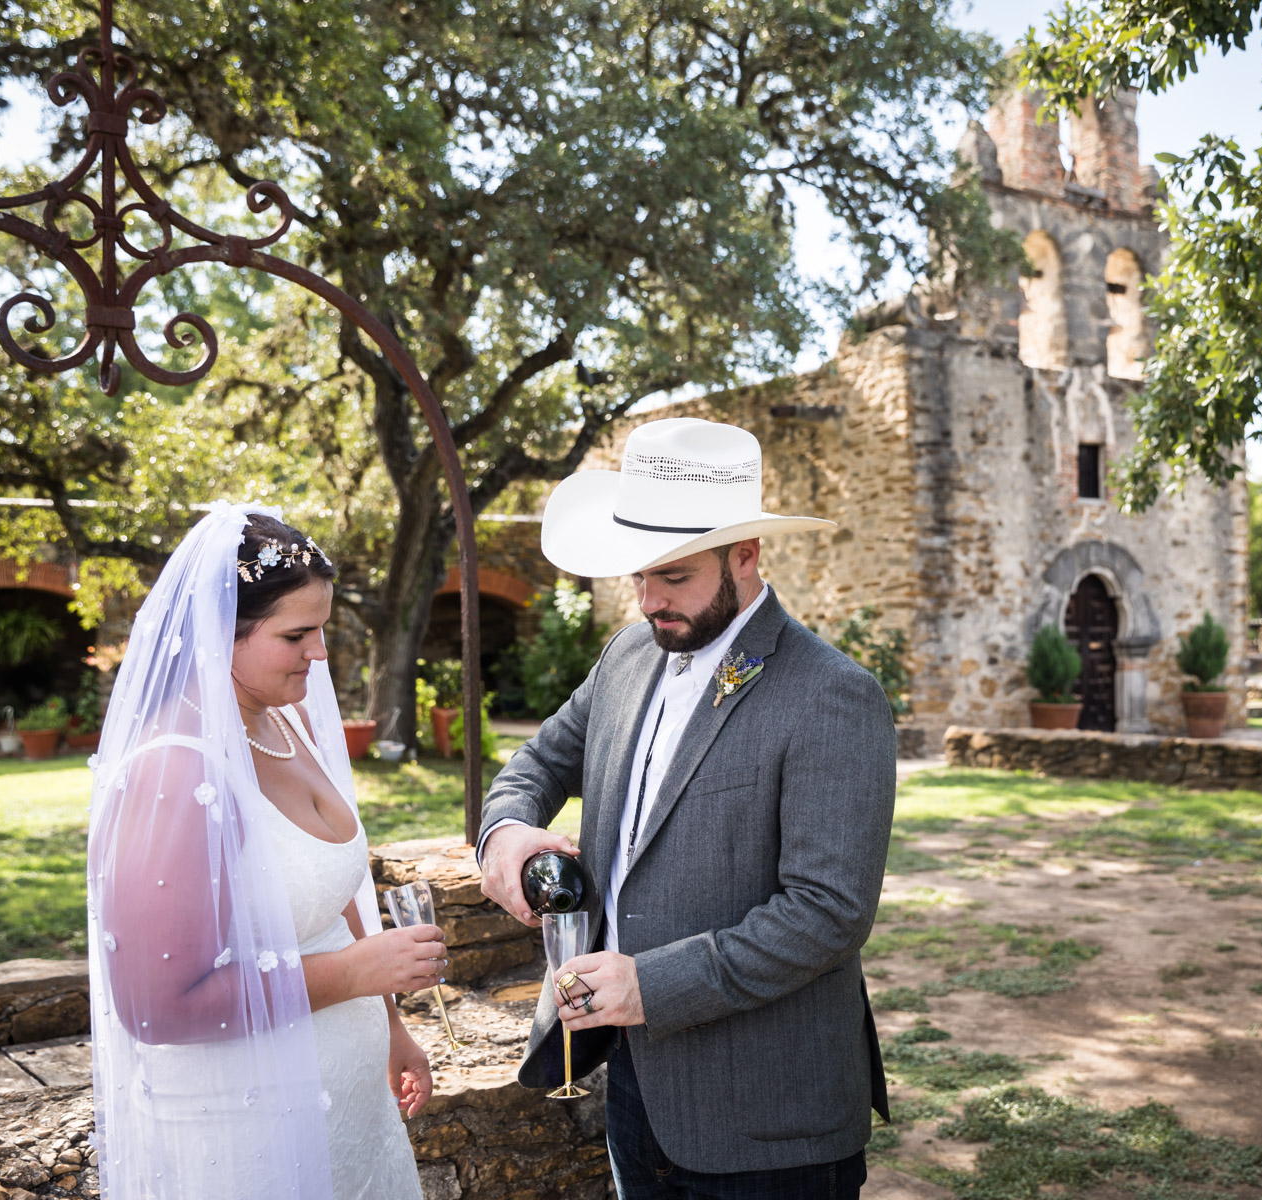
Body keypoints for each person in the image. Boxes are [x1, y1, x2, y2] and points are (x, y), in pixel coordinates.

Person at [476, 417, 898, 1200]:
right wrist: (506, 834)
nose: (648, 601)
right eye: (638, 576)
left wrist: (652, 987)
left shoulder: (835, 696)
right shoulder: (628, 655)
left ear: (747, 555)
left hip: (769, 1122)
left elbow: (829, 911)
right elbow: (536, 762)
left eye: (674, 577)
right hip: (633, 1085)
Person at [86, 503, 442, 1200]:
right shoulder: (173, 773)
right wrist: (351, 974)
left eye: (322, 629)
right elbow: (156, 1006)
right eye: (297, 634)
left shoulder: (289, 718)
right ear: (221, 634)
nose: (320, 654)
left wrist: (391, 1024)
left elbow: (336, 894)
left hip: (354, 1114)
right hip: (251, 1132)